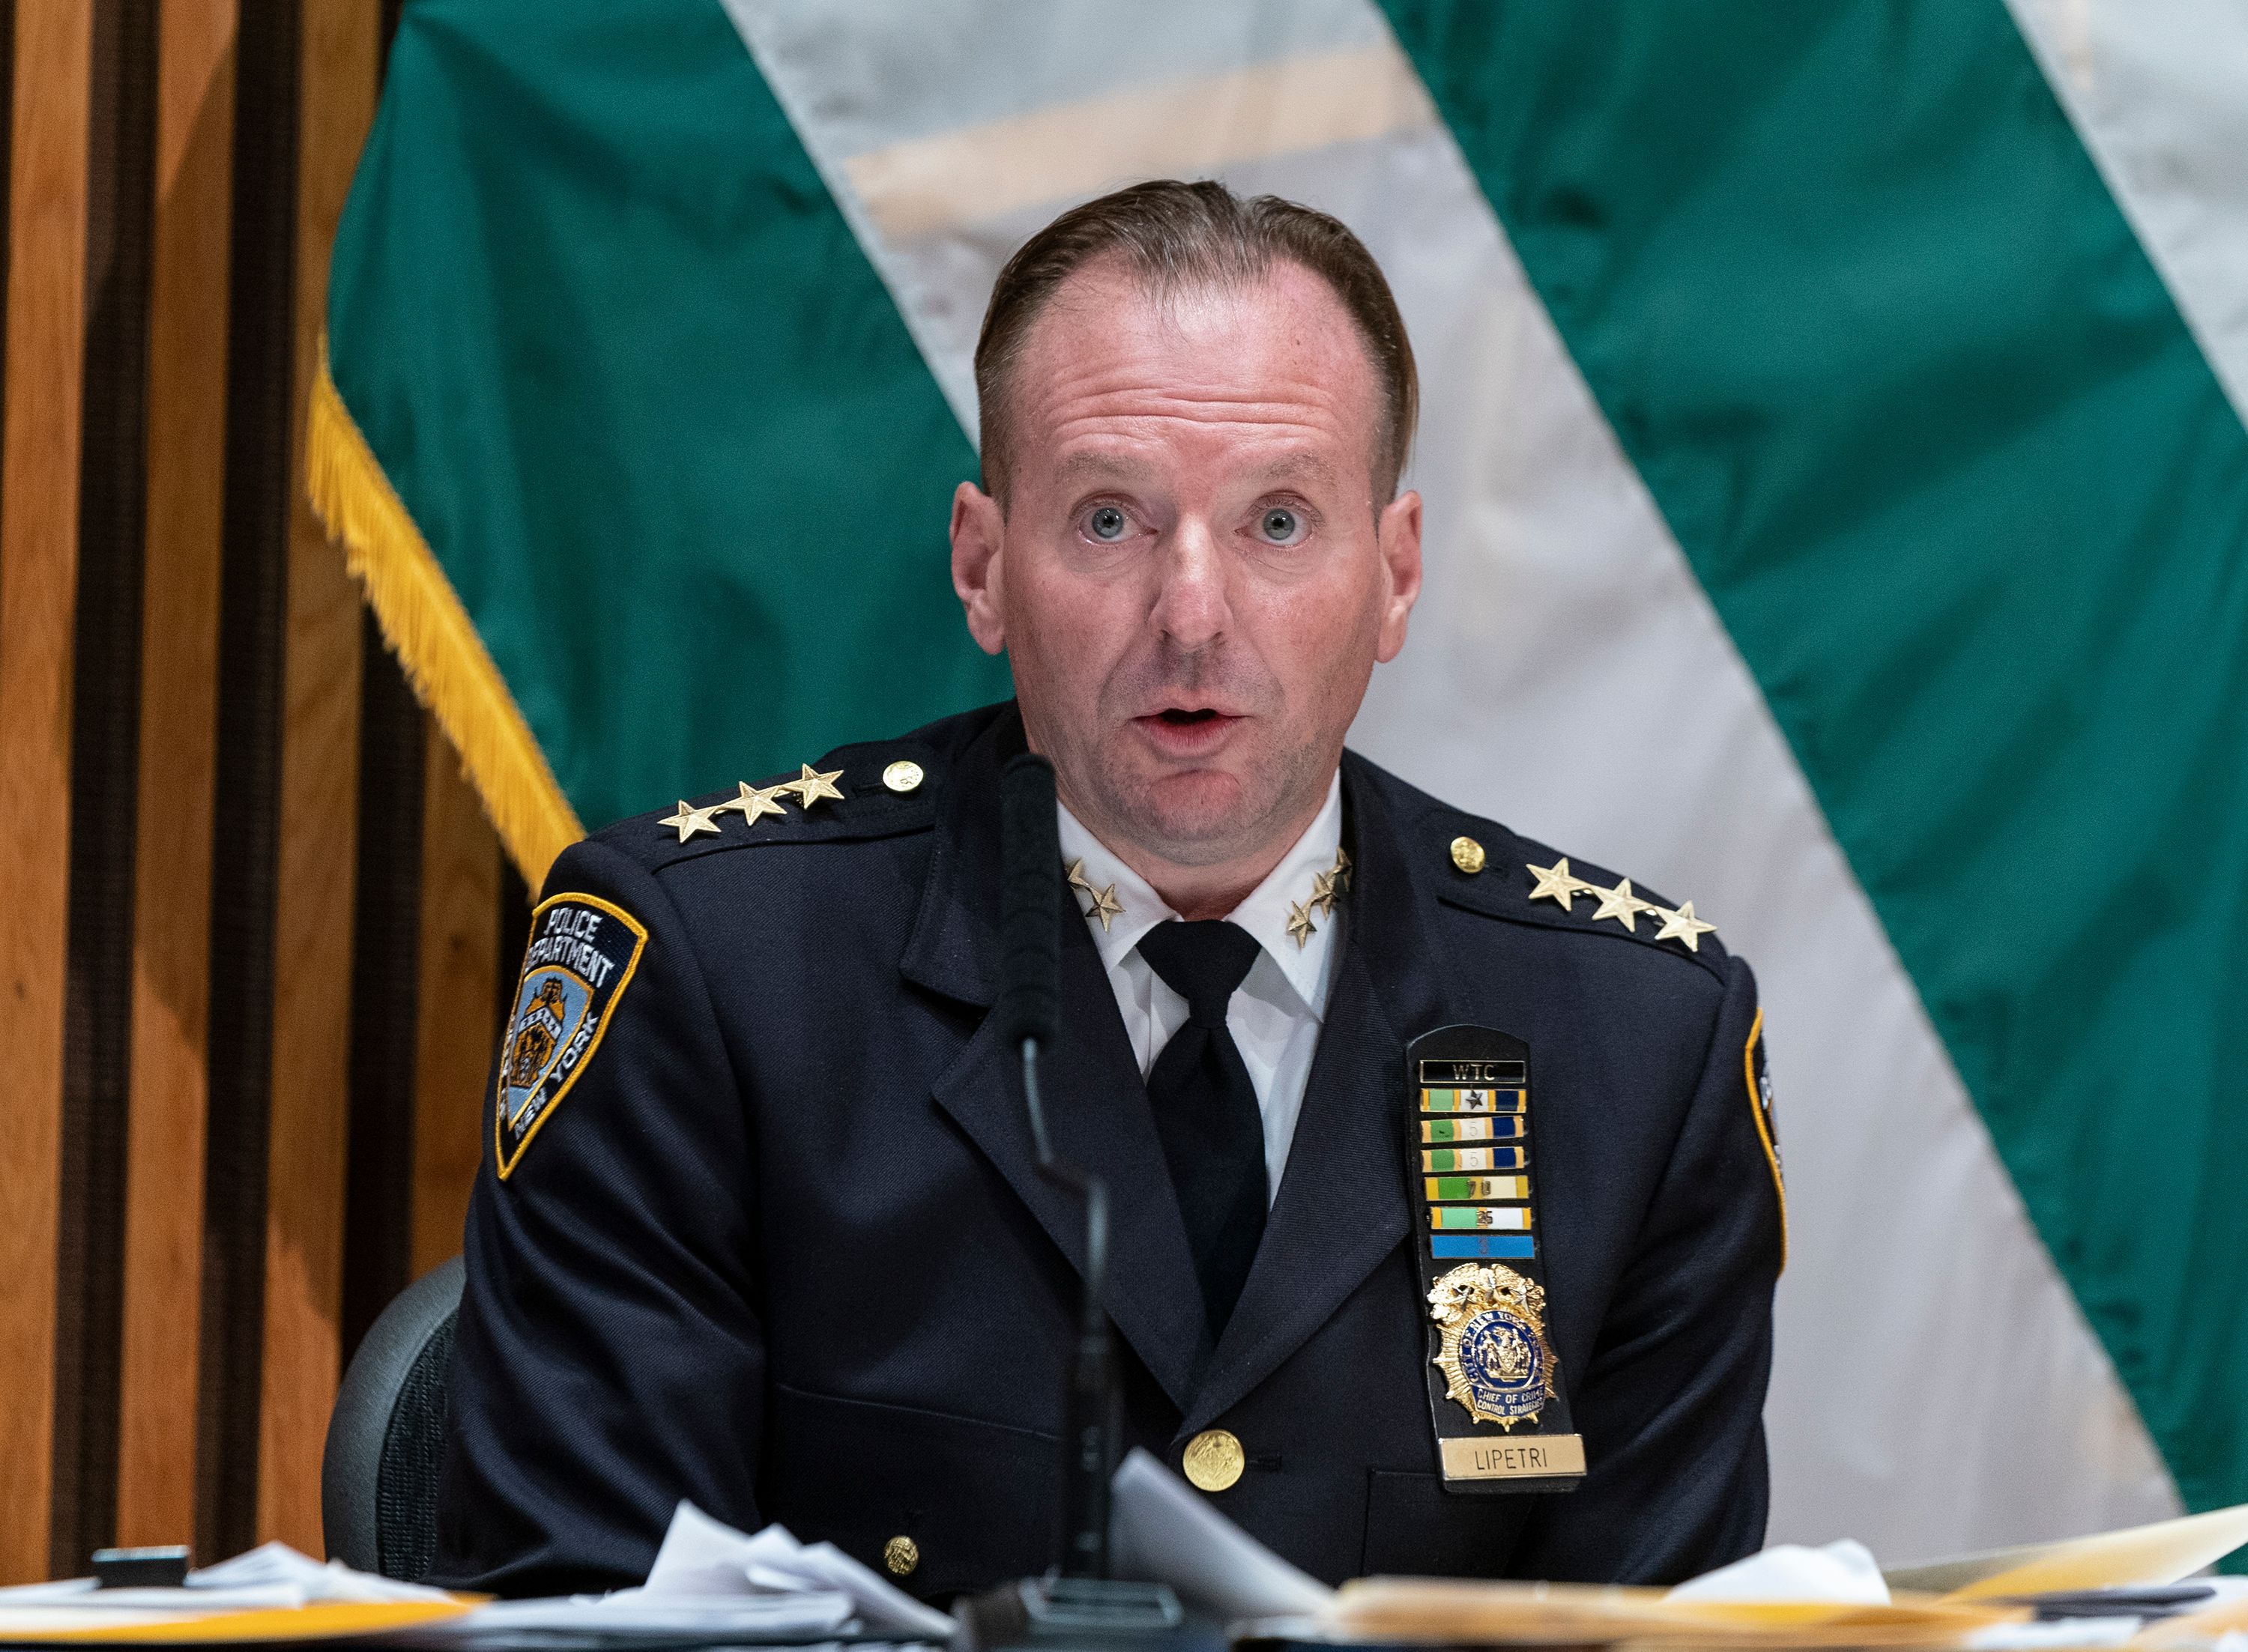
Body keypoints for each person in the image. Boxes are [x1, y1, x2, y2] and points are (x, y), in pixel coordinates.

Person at [433, 180, 1783, 1599]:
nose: (1192, 616)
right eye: (1106, 521)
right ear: (982, 566)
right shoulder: (712, 974)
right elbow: (579, 1612)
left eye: (1277, 522)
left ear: (1393, 577)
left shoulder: (1634, 1045)